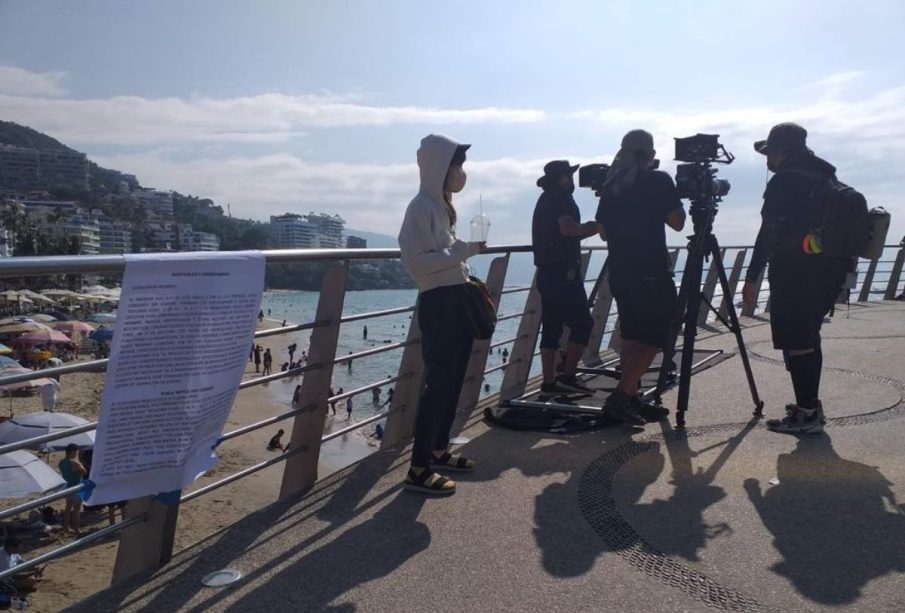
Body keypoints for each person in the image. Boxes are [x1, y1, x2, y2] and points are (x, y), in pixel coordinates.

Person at [742, 123, 849, 434]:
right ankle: (809, 404)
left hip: (797, 270)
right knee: (808, 336)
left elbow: (770, 231)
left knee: (798, 339)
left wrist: (752, 276)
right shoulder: (826, 177)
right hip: (830, 268)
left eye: (769, 153)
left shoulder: (785, 182)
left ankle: (806, 413)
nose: (767, 161)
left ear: (782, 151)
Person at [397, 133, 483, 496]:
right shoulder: (420, 208)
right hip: (439, 304)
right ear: (439, 167)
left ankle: (437, 449)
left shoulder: (440, 206)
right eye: (455, 164)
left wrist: (461, 256)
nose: (460, 172)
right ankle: (418, 467)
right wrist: (462, 252)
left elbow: (441, 258)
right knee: (439, 384)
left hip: (455, 300)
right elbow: (417, 263)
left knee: (453, 380)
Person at [596, 129, 686, 426]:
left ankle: (633, 398)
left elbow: (604, 231)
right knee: (654, 335)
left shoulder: (611, 186)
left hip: (621, 270)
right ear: (650, 154)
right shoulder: (658, 180)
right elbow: (676, 223)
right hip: (651, 270)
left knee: (633, 335)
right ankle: (621, 396)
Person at [531, 160, 600, 400]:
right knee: (583, 324)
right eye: (569, 176)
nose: (572, 181)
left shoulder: (544, 199)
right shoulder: (562, 198)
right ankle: (568, 377)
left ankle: (549, 382)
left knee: (551, 326)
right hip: (564, 273)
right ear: (562, 178)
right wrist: (595, 227)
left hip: (546, 272)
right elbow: (568, 229)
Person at [58, 443, 86, 535]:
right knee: (76, 510)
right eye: (76, 452)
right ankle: (77, 529)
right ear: (73, 452)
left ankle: (66, 527)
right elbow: (84, 471)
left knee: (68, 507)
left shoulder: (61, 462)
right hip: (76, 487)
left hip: (67, 487)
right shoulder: (74, 463)